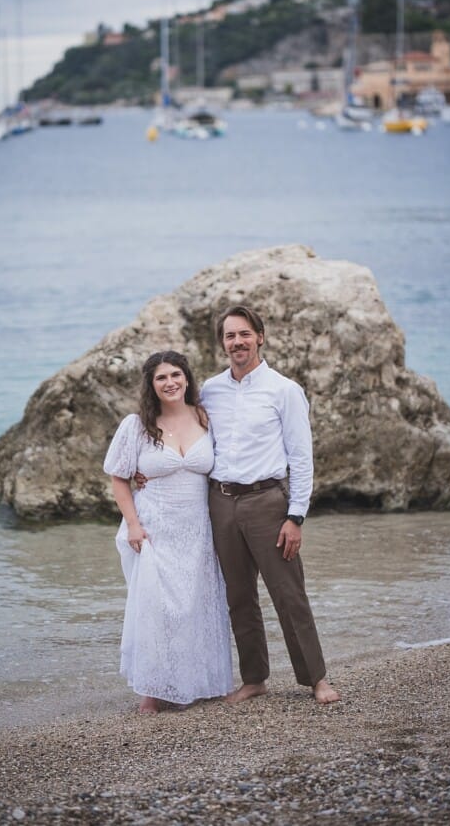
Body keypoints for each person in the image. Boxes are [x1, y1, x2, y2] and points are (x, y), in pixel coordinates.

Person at [197, 305, 340, 705]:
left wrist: (296, 516)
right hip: (221, 502)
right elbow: (184, 435)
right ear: (222, 343)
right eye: (230, 336)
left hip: (267, 502)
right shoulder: (210, 390)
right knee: (239, 597)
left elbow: (301, 458)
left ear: (260, 337)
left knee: (289, 594)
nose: (237, 342)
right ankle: (254, 678)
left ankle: (316, 679)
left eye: (244, 334)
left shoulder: (284, 390)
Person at [104, 351, 234, 713]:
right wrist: (133, 525)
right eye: (161, 377)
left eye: (176, 374)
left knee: (198, 605)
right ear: (151, 385)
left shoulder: (205, 418)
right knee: (156, 608)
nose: (170, 382)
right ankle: (153, 689)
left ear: (187, 378)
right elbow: (118, 478)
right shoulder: (137, 425)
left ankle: (199, 682)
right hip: (154, 528)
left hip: (198, 529)